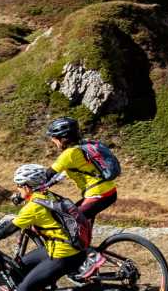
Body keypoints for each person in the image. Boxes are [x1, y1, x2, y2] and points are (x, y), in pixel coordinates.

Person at [45, 117, 117, 275]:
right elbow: (63, 174)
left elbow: (47, 174)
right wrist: (49, 184)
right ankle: (84, 260)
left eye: (54, 139)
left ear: (61, 138)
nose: (53, 143)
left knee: (67, 223)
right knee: (76, 220)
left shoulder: (68, 154)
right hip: (107, 191)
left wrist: (27, 188)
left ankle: (92, 257)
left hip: (98, 195)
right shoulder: (82, 146)